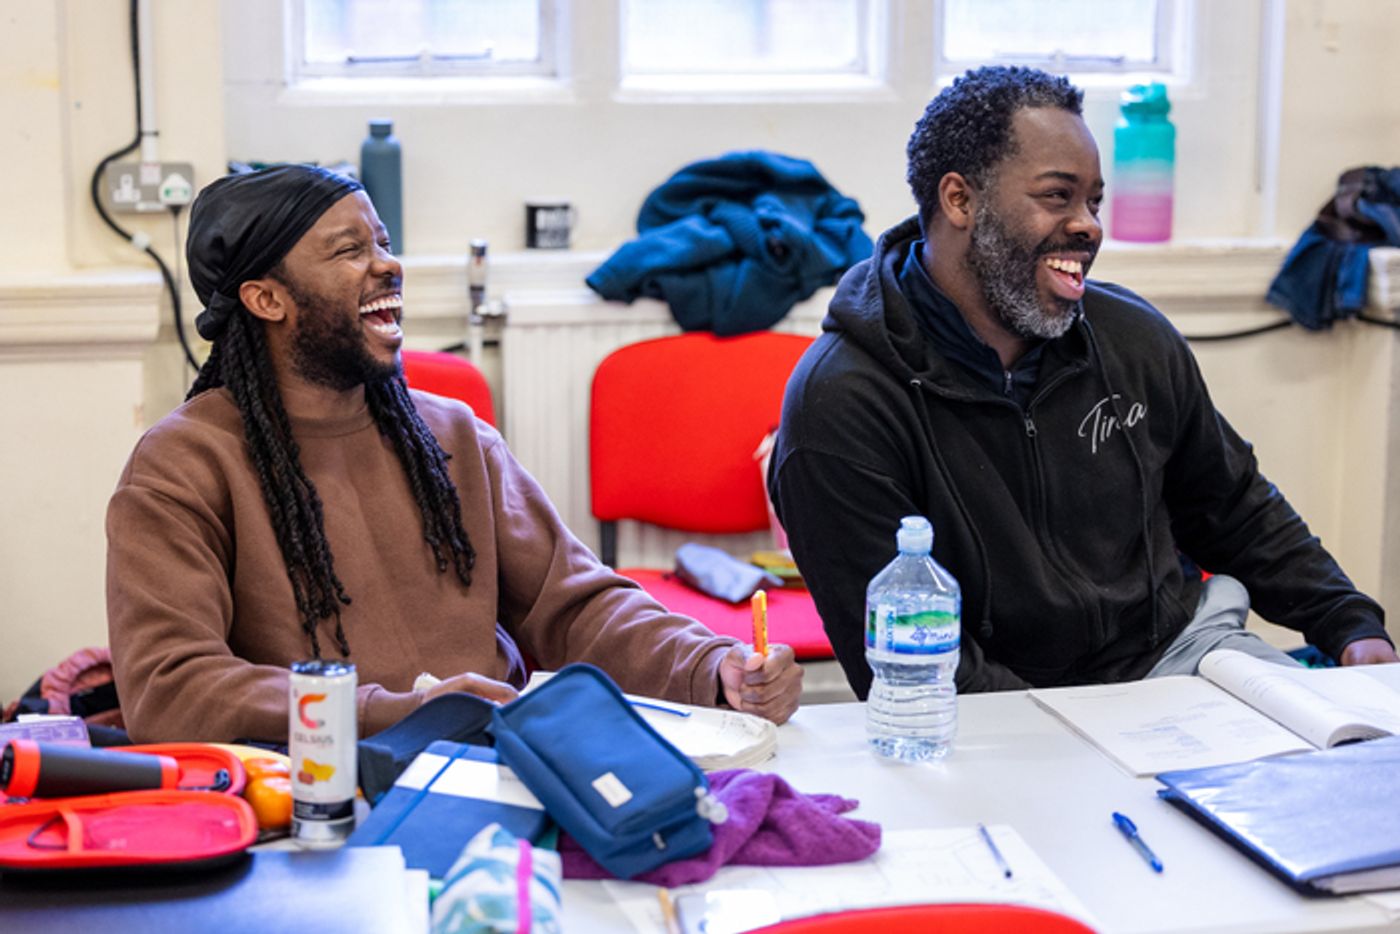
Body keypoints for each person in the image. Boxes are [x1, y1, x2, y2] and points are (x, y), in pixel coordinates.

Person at [107, 164, 802, 743]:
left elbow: (577, 604)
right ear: (266, 298)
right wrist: (396, 714)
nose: (388, 265)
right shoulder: (183, 465)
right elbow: (172, 691)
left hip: (498, 766)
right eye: (349, 251)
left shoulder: (452, 437)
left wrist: (714, 667)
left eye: (382, 242)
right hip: (316, 796)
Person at [768, 66, 1395, 699]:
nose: (1089, 225)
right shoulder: (842, 403)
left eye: (1094, 200)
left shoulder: (1133, 337)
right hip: (995, 715)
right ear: (960, 199)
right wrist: (1079, 741)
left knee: (1349, 775)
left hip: (1184, 655)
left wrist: (1349, 622)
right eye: (1056, 196)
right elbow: (918, 668)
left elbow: (1232, 507)